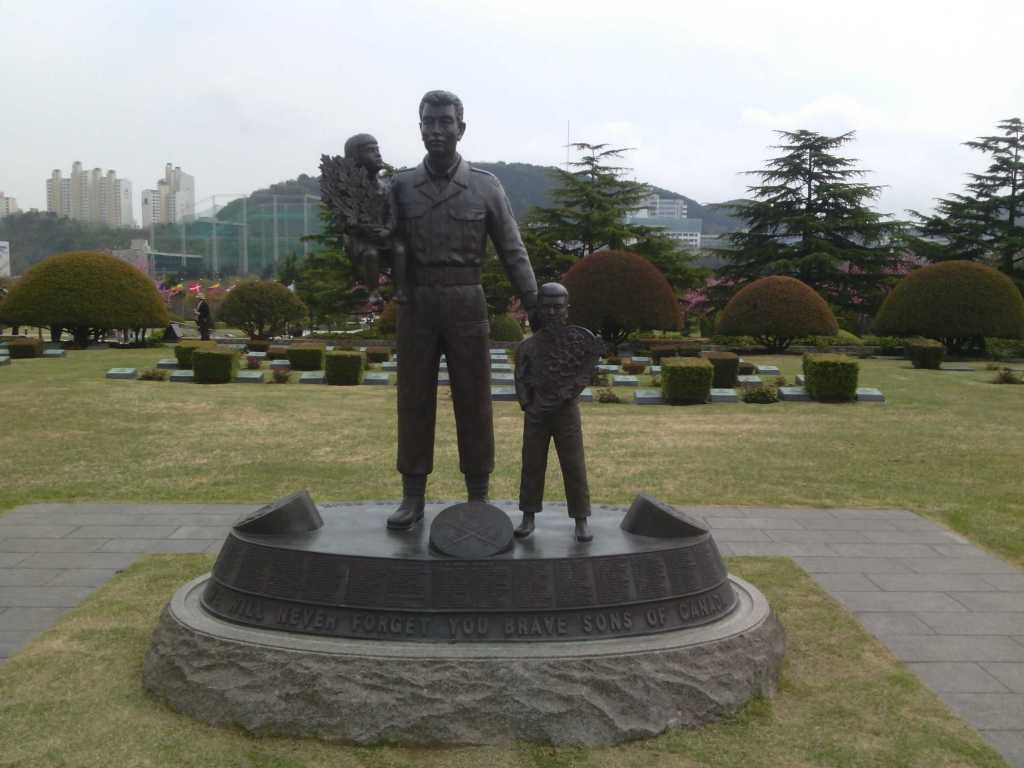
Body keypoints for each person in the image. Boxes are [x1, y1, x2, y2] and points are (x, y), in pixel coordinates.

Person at [386, 90, 539, 530]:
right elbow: (382, 245)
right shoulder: (399, 187)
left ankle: (478, 494)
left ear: (461, 128)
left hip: (466, 300)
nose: (436, 130)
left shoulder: (486, 186)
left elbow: (512, 249)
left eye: (445, 122)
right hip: (416, 303)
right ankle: (413, 495)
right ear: (419, 128)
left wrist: (534, 303)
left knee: (474, 400)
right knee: (413, 399)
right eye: (429, 122)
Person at [513, 283, 602, 542]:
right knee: (531, 465)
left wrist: (568, 393)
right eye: (546, 307)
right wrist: (528, 405)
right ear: (538, 309)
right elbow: (520, 377)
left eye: (557, 307)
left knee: (574, 466)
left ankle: (581, 519)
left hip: (566, 413)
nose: (551, 312)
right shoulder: (528, 346)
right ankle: (528, 516)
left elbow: (584, 372)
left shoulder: (579, 342)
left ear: (566, 310)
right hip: (536, 413)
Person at [342, 134, 407, 304]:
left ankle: (399, 290)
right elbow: (346, 221)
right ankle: (374, 292)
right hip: (360, 238)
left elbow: (393, 213)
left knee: (400, 250)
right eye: (370, 151)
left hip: (384, 234)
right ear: (355, 159)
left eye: (377, 149)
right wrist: (366, 230)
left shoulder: (386, 187)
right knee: (370, 253)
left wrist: (387, 230)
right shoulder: (349, 189)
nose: (377, 154)